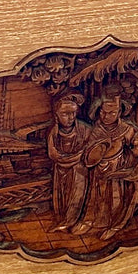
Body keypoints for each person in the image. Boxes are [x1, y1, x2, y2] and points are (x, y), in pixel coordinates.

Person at [75, 94, 136, 235]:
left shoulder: (126, 130)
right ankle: (89, 221)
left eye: (111, 113)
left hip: (117, 169)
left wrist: (125, 164)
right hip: (98, 170)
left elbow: (135, 150)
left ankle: (113, 223)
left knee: (115, 196)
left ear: (119, 112)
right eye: (103, 112)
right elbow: (88, 151)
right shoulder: (96, 129)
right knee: (95, 195)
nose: (106, 116)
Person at [46, 93, 91, 230]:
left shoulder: (85, 129)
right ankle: (62, 219)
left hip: (79, 170)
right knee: (61, 195)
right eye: (65, 114)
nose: (71, 118)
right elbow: (53, 153)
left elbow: (90, 151)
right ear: (57, 115)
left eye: (73, 113)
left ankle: (70, 221)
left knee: (76, 194)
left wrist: (78, 158)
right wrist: (66, 160)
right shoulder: (54, 132)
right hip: (60, 169)